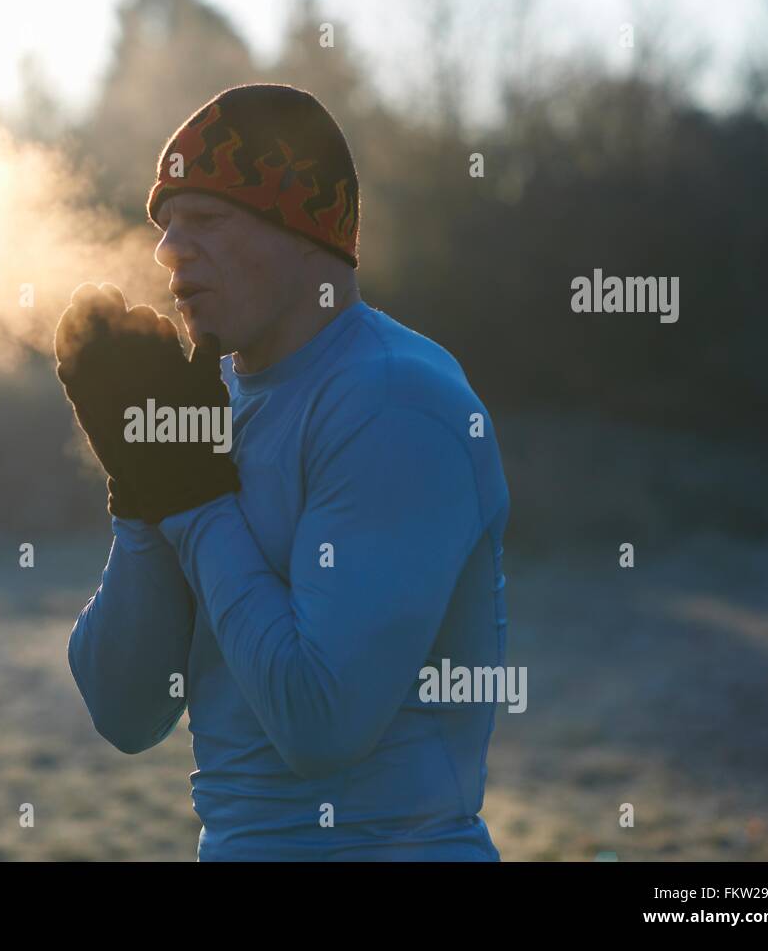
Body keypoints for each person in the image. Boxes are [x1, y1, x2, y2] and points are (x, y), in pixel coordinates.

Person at [55, 83, 511, 861]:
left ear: (301, 231)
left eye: (205, 219)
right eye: (167, 227)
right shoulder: (215, 400)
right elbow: (126, 714)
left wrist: (193, 503)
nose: (168, 250)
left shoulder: (395, 402)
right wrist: (139, 490)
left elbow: (321, 722)